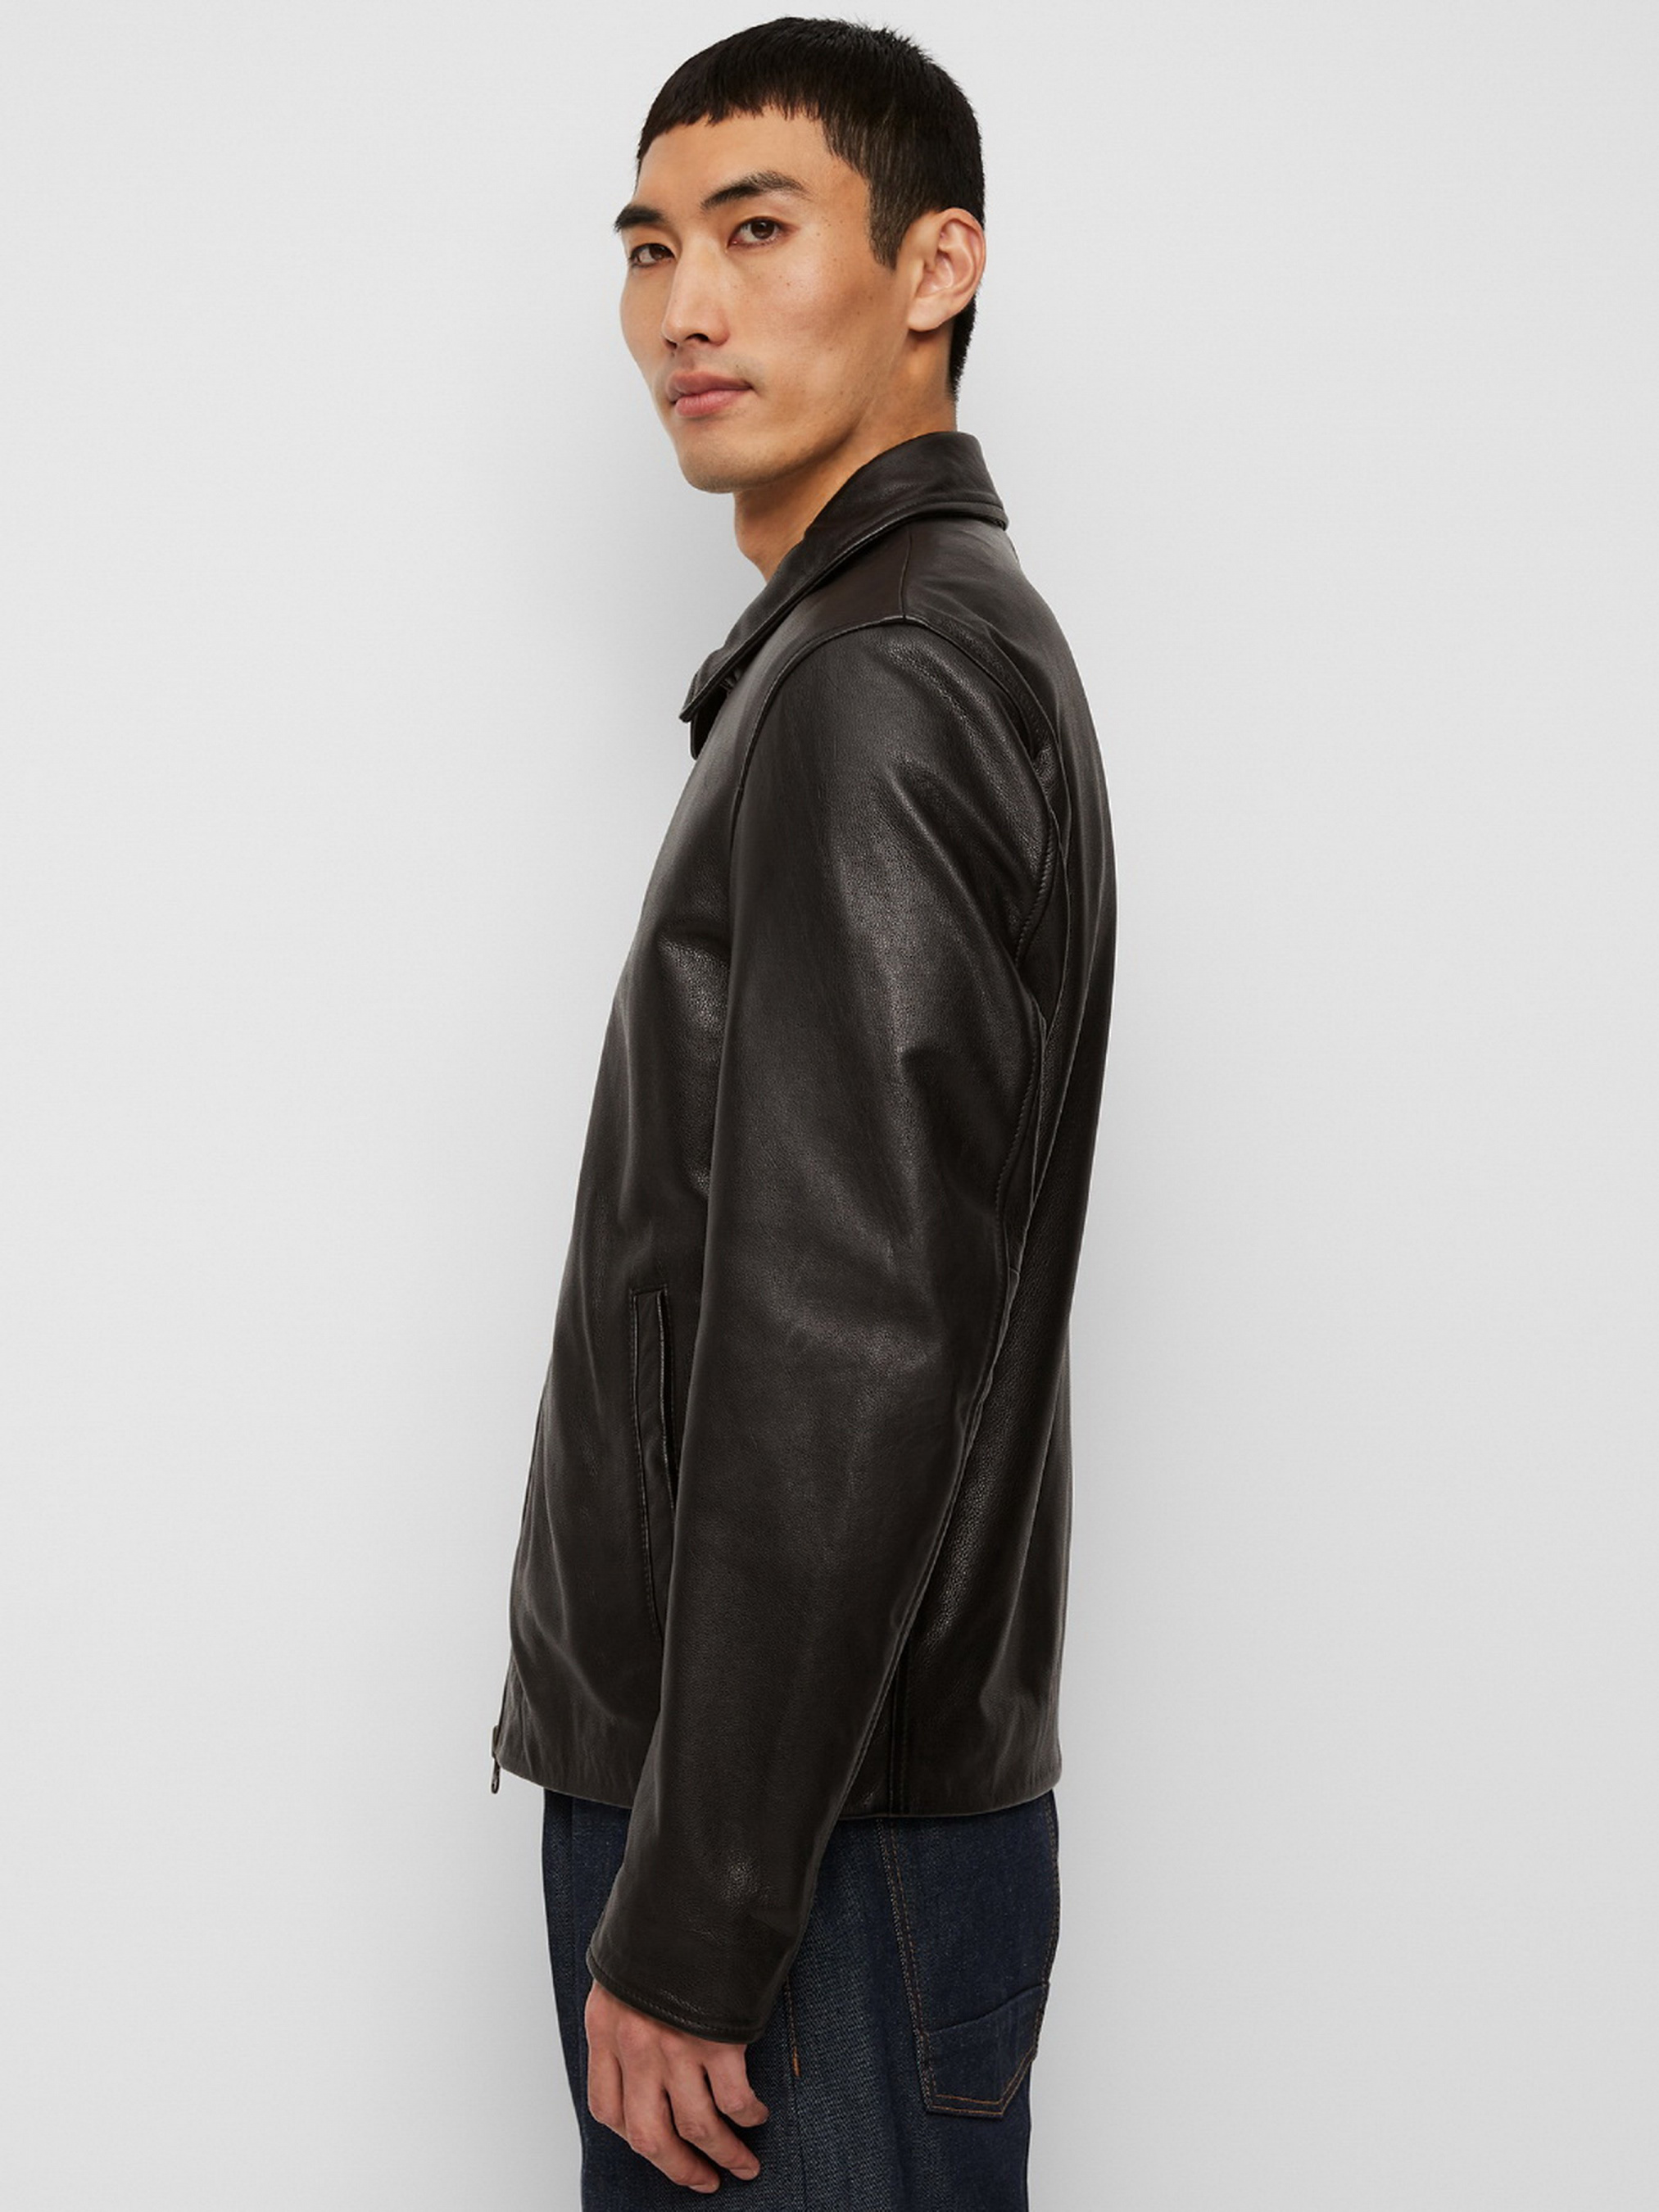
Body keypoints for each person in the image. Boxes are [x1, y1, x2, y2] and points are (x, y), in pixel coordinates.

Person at [490, 18, 1117, 2205]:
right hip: (803, 1818)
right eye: (649, 246)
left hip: (795, 1845)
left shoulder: (875, 678)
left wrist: (704, 1909)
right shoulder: (876, 646)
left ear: (935, 265)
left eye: (758, 231)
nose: (687, 305)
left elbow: (846, 1348)